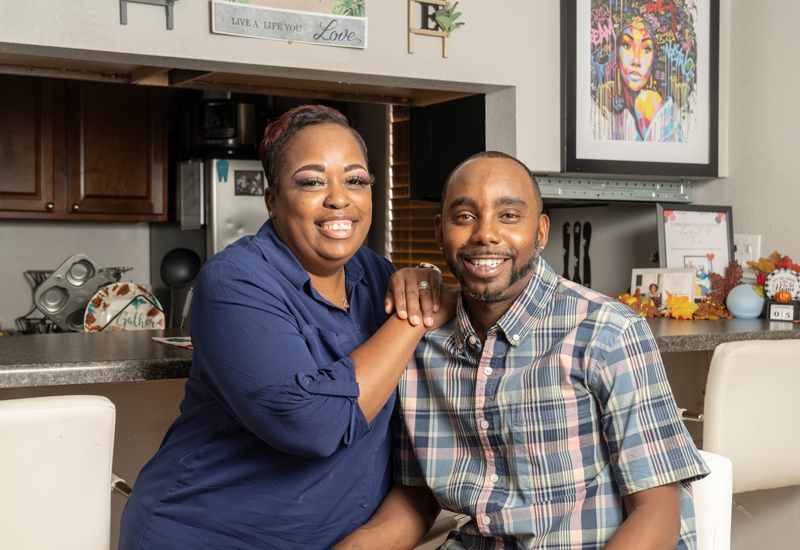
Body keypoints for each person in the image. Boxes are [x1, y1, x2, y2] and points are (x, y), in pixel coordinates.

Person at [119, 105, 456, 550]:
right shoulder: (233, 280)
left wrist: (426, 279)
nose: (339, 197)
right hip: (204, 534)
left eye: (355, 179)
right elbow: (311, 425)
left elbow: (419, 450)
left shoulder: (378, 276)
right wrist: (415, 318)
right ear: (272, 199)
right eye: (312, 181)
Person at [337, 151, 709, 550]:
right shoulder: (419, 347)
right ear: (439, 231)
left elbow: (658, 512)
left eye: (509, 216)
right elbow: (417, 496)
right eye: (464, 217)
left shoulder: (608, 333)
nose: (485, 234)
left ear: (541, 231)